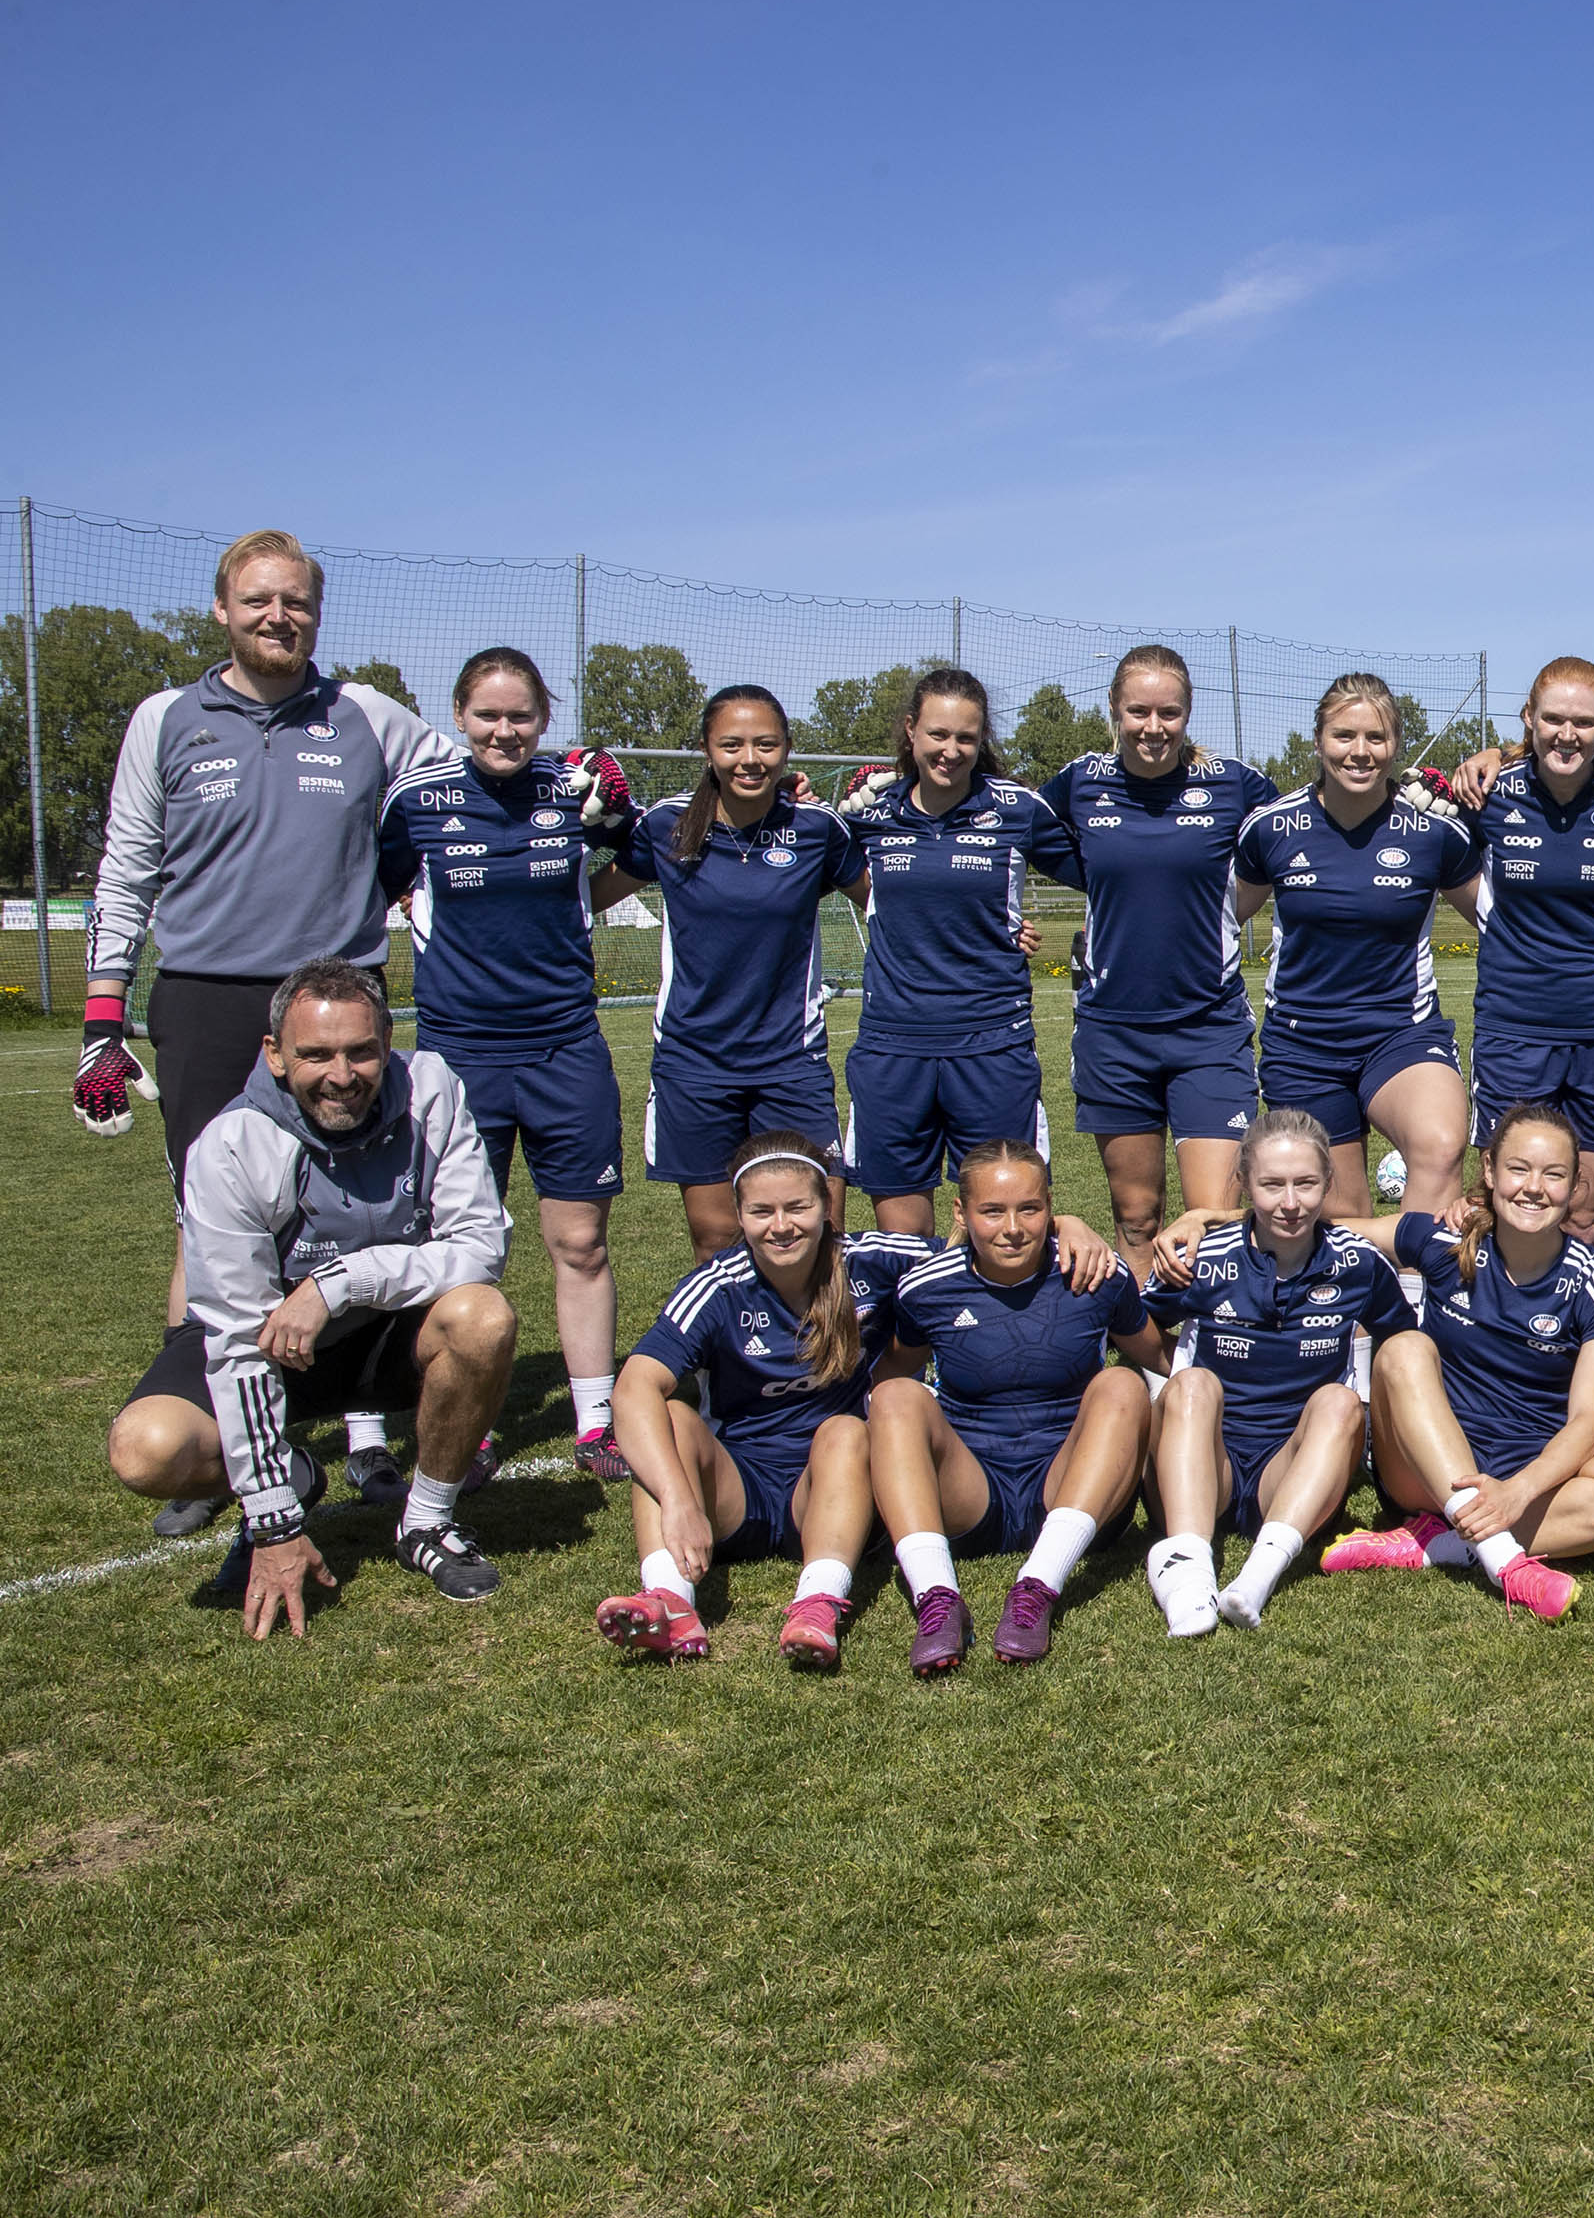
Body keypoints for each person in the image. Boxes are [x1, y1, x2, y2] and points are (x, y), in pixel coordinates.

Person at [82, 530, 462, 1532]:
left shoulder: (366, 717)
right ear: (221, 609)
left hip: (339, 995)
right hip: (208, 994)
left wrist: (567, 785)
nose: (277, 617)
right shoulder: (165, 719)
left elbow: (476, 770)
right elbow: (124, 871)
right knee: (207, 1214)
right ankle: (225, 1432)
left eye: (295, 601)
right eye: (258, 601)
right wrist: (102, 1011)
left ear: (316, 613)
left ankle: (371, 1424)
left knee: (376, 1204)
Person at [101, 960, 515, 1638]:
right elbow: (237, 1340)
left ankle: (428, 1521)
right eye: (315, 1054)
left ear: (387, 1039)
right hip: (266, 1339)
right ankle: (293, 1480)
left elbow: (480, 1245)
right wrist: (273, 1521)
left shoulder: (432, 1088)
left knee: (483, 1316)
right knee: (146, 1449)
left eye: (360, 1050)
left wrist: (337, 1282)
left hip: (379, 1329)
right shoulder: (229, 1146)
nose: (341, 1074)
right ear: (273, 1054)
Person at [378, 648, 640, 1480]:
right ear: (458, 716)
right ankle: (468, 1409)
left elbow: (644, 851)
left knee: (580, 1239)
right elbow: (370, 888)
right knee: (462, 1246)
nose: (504, 729)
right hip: (457, 1057)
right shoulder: (417, 802)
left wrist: (618, 809)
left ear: (543, 718)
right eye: (488, 714)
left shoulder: (574, 790)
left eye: (520, 715)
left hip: (566, 1047)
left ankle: (595, 1418)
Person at [595, 1135, 933, 1671]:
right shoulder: (718, 1285)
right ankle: (669, 1599)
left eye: (798, 1207)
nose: (781, 1225)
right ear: (739, 1214)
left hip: (830, 1487)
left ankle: (818, 1602)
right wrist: (679, 1498)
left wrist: (1064, 1228)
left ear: (827, 1205)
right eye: (762, 1211)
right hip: (736, 1489)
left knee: (845, 1430)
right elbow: (634, 1387)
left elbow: (987, 1246)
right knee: (674, 1417)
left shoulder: (871, 1260)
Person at [1327, 1104, 1594, 1619]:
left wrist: (1516, 1493)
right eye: (1518, 1169)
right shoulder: (1443, 1242)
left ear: (1576, 1186)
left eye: (1554, 1174)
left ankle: (1440, 1543)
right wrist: (1208, 1221)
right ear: (1489, 1171)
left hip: (1522, 1477)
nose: (1534, 1187)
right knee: (1403, 1348)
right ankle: (1505, 1559)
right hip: (1419, 1470)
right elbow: (1319, 1231)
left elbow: (1586, 1424)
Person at [868, 1143, 1167, 1673]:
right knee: (893, 1398)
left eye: (1030, 1208)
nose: (1013, 1228)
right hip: (970, 1490)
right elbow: (890, 1375)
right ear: (961, 1214)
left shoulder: (1095, 1273)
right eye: (992, 1211)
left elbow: (1162, 1358)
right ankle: (937, 1600)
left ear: (1051, 1208)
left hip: (1071, 1481)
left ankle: (1038, 1589)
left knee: (1121, 1383)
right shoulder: (925, 1289)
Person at [1038, 645, 1276, 1272]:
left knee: (1216, 1216)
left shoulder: (1233, 783)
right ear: (1114, 709)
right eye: (1138, 711)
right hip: (1113, 1032)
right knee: (1137, 1216)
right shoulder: (1080, 780)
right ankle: (1150, 1364)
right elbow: (1008, 828)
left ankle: (1216, 1353)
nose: (1153, 727)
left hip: (1208, 1029)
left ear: (1188, 713)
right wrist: (1002, 923)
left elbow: (1299, 834)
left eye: (1169, 712)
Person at [613, 687, 870, 1261]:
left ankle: (824, 1352)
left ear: (786, 750)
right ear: (707, 749)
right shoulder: (666, 826)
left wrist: (994, 927)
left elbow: (888, 903)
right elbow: (588, 895)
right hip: (694, 1063)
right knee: (717, 1239)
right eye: (731, 745)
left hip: (791, 1062)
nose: (748, 758)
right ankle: (735, 1352)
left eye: (765, 744)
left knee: (821, 1233)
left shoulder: (815, 827)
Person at [1138, 1108, 1415, 1634]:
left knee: (1339, 1400)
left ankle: (1257, 1578)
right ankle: (1188, 1573)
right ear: (1243, 1183)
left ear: (1329, 1182)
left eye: (1306, 1184)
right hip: (1203, 1463)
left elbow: (1402, 1342)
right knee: (1192, 1383)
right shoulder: (1201, 1256)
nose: (1290, 1203)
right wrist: (1168, 1367)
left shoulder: (1357, 1263)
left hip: (1290, 1470)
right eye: (1272, 1185)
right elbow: (1130, 1325)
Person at [835, 667, 1081, 1236]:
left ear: (982, 740)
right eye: (938, 734)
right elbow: (816, 866)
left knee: (1006, 1230)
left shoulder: (1017, 811)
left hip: (991, 1044)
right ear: (910, 732)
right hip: (892, 1047)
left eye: (965, 738)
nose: (951, 750)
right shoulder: (869, 814)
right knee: (901, 1241)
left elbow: (1107, 873)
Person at [1234, 673, 1482, 1226]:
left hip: (1402, 1035)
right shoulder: (1271, 829)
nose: (1361, 752)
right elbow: (1219, 920)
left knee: (1441, 1145)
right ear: (1319, 739)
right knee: (1341, 1216)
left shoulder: (1433, 831)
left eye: (1377, 737)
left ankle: (1419, 1300)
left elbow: (1502, 921)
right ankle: (1364, 1310)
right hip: (1304, 1046)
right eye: (1345, 735)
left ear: (1396, 743)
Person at [1458, 659, 1594, 1237]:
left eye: (1582, 721)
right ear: (1528, 719)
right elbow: (1435, 856)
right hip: (1513, 1030)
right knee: (1497, 1207)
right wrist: (1488, 757)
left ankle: (1568, 1328)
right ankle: (1494, 1326)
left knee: (1581, 1210)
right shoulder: (1488, 793)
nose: (1566, 734)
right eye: (1552, 719)